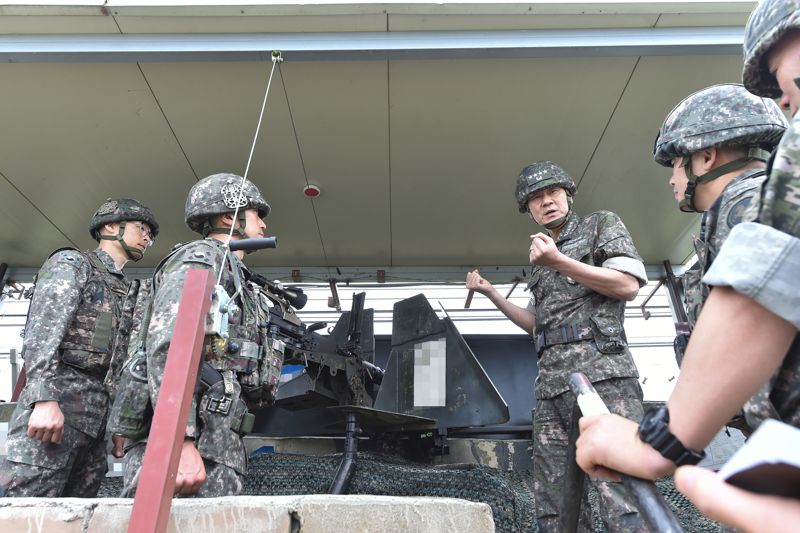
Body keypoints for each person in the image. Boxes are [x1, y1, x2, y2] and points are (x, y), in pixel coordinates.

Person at [576, 0, 800, 489]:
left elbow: (752, 308)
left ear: (705, 156)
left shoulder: (744, 203)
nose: (672, 181)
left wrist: (658, 443)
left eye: (675, 166)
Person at [466, 160, 649, 532]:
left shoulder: (600, 225)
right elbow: (536, 325)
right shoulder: (540, 260)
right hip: (551, 387)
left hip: (602, 379)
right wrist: (492, 294)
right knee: (554, 500)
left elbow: (627, 285)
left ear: (567, 193)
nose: (546, 202)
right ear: (529, 210)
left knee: (620, 488)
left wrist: (560, 261)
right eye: (536, 198)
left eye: (552, 192)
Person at [120, 173, 283, 497]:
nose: (263, 225)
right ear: (228, 217)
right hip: (188, 448)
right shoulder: (200, 259)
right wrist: (181, 440)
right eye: (257, 215)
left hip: (216, 445)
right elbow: (169, 346)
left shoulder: (233, 273)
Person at [0, 199, 158, 497]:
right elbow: (43, 331)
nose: (148, 238)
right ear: (111, 226)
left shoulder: (126, 289)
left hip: (95, 426)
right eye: (142, 228)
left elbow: (120, 363)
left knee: (78, 516)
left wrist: (119, 424)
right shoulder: (73, 264)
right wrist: (42, 399)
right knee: (29, 514)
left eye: (151, 233)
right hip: (55, 411)